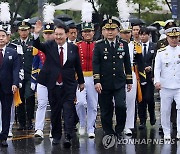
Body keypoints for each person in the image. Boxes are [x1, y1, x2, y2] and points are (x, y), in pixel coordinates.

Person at [33, 20, 85, 148]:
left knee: (68, 111)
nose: (58, 37)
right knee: (55, 112)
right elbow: (37, 44)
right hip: (53, 84)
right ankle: (56, 136)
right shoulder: (50, 45)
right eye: (56, 34)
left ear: (66, 34)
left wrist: (81, 81)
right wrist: (36, 33)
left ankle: (68, 135)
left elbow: (78, 65)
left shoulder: (73, 48)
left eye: (60, 34)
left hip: (68, 84)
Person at [93, 17, 132, 139]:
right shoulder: (99, 46)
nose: (110, 32)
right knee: (106, 109)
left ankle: (119, 128)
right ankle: (108, 130)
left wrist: (129, 80)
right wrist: (97, 81)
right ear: (103, 31)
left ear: (118, 30)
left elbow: (127, 62)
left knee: (121, 106)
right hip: (104, 82)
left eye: (113, 29)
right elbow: (96, 64)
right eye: (107, 29)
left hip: (119, 81)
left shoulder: (123, 44)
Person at [32, 3, 55, 139]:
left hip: (55, 79)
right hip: (42, 79)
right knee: (41, 104)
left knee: (54, 104)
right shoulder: (42, 46)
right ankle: (39, 129)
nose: (47, 36)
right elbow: (37, 45)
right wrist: (36, 33)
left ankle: (53, 129)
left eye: (50, 33)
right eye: (45, 33)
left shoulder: (59, 46)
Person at [154, 27, 180, 140]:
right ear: (167, 38)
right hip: (166, 86)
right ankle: (166, 132)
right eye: (171, 37)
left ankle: (179, 132)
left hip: (179, 85)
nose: (174, 40)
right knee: (165, 110)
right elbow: (157, 68)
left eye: (176, 37)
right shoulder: (161, 52)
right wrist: (157, 81)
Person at [76, 20, 98, 138]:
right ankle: (82, 123)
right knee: (80, 102)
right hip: (81, 77)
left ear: (93, 32)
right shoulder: (77, 45)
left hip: (94, 77)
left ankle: (91, 128)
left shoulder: (98, 45)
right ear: (82, 33)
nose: (87, 33)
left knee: (93, 105)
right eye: (85, 31)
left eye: (89, 31)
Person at [12, 21, 35, 130]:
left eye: (25, 30)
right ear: (18, 31)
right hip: (19, 76)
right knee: (19, 99)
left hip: (30, 75)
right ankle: (21, 122)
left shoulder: (33, 42)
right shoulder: (15, 44)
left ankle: (30, 120)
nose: (24, 32)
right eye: (22, 30)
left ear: (29, 31)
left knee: (29, 97)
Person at [0, 29, 19, 147]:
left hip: (7, 87)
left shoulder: (13, 52)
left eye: (3, 36)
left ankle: (4, 136)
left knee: (6, 112)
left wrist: (15, 83)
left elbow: (15, 69)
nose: (1, 38)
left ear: (7, 38)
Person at [138, 27, 156, 129]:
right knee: (141, 100)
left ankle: (152, 115)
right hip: (139, 76)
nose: (143, 36)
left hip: (150, 77)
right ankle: (142, 120)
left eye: (145, 34)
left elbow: (157, 60)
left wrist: (151, 68)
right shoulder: (137, 47)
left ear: (149, 35)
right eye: (141, 34)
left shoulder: (154, 46)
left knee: (149, 98)